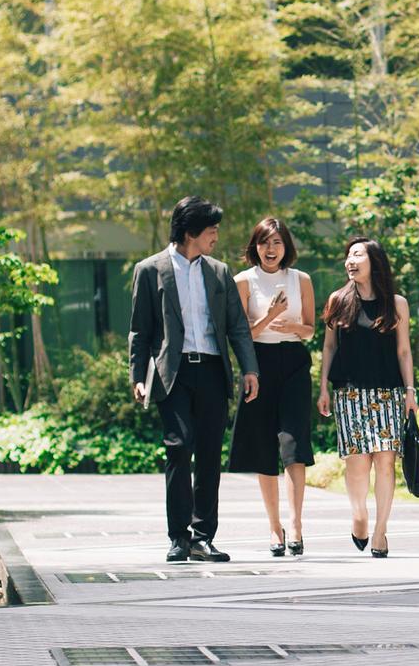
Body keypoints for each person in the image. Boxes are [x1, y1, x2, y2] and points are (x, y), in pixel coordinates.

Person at [128, 196, 259, 563]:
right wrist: (138, 375)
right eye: (211, 230)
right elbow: (139, 330)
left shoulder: (218, 271)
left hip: (213, 370)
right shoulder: (150, 270)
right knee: (178, 447)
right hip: (174, 372)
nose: (216, 236)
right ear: (190, 232)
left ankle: (203, 537)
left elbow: (236, 326)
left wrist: (250, 369)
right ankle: (178, 537)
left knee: (208, 456)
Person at [316, 237, 419, 558]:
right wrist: (323, 388)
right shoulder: (338, 300)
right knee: (357, 465)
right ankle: (359, 513)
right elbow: (329, 347)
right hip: (349, 393)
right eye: (348, 256)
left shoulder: (396, 304)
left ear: (374, 261)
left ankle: (380, 531)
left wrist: (410, 392)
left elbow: (404, 351)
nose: (350, 261)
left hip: (388, 393)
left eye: (357, 255)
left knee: (386, 463)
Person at [227, 217, 316, 557]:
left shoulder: (301, 279)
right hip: (257, 364)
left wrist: (291, 323)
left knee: (293, 445)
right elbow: (242, 333)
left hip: (293, 361)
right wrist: (269, 315)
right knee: (264, 446)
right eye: (265, 242)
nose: (271, 249)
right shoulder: (243, 281)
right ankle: (274, 527)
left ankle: (296, 524)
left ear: (286, 247)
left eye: (277, 242)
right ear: (255, 246)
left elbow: (308, 329)